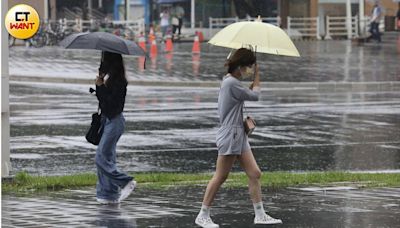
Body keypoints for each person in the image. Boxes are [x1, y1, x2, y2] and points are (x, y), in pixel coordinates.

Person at [194, 48, 282, 228]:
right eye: (249, 67)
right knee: (220, 176)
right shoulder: (231, 83)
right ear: (240, 66)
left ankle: (260, 214)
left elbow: (245, 95)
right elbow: (255, 96)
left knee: (255, 173)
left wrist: (251, 81)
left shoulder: (231, 82)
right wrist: (258, 75)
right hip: (230, 135)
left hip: (238, 134)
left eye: (252, 67)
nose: (249, 70)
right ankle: (203, 215)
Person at [95, 51, 136, 204]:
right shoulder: (110, 79)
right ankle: (108, 194)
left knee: (100, 156)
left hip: (114, 121)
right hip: (107, 121)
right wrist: (100, 82)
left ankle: (126, 182)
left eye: (105, 59)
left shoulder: (118, 81)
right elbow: (103, 103)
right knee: (107, 157)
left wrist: (100, 87)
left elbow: (111, 106)